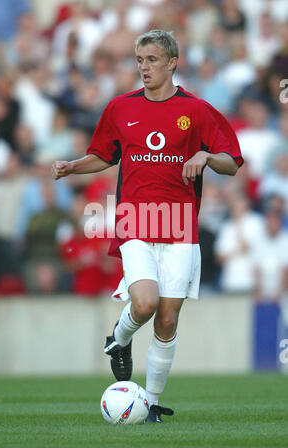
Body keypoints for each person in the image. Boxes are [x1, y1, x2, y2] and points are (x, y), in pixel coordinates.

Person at [51, 30, 243, 423]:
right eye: (140, 60)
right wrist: (73, 166)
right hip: (136, 220)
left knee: (168, 319)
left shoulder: (199, 110)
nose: (144, 67)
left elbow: (232, 162)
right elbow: (102, 155)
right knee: (145, 303)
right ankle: (119, 341)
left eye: (152, 59)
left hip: (180, 225)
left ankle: (151, 402)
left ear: (173, 62)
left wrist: (206, 155)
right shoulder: (120, 107)